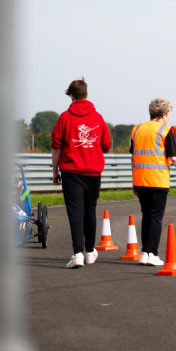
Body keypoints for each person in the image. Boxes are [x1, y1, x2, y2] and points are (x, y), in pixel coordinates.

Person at [51, 78, 112, 269]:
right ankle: (89, 251)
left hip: (71, 171)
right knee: (89, 211)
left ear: (71, 96)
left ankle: (77, 254)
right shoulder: (98, 117)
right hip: (93, 171)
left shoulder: (64, 117)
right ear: (87, 94)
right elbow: (106, 146)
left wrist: (55, 171)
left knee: (75, 213)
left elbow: (56, 147)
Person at [130, 98, 176, 266]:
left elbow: (134, 157)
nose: (169, 118)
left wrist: (133, 181)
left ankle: (145, 253)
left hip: (141, 181)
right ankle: (152, 254)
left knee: (146, 216)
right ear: (163, 114)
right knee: (156, 218)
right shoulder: (165, 130)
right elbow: (174, 158)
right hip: (157, 180)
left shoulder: (137, 130)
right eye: (169, 114)